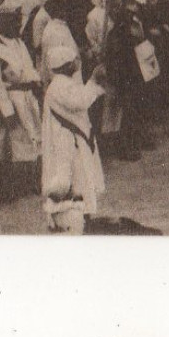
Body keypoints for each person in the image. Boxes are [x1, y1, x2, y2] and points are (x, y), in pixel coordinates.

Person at [39, 43, 106, 232]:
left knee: (82, 176)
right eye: (74, 60)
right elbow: (80, 101)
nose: (77, 62)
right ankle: (78, 217)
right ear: (66, 65)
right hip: (67, 142)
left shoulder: (64, 83)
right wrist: (93, 81)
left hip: (74, 139)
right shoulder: (59, 86)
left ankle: (84, 215)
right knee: (76, 178)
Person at [0, 8, 42, 200]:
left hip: (26, 96)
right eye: (14, 23)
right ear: (2, 24)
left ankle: (30, 181)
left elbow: (28, 67)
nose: (18, 27)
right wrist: (7, 112)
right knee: (10, 145)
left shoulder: (18, 42)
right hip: (9, 102)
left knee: (32, 139)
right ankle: (10, 186)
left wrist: (36, 83)